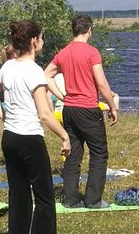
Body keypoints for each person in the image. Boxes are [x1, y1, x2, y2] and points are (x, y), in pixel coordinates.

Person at [0, 19, 70, 234]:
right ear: (34, 41)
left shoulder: (7, 67)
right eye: (41, 37)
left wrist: (6, 116)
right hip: (30, 138)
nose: (42, 41)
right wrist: (64, 137)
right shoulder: (34, 71)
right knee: (44, 198)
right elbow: (45, 114)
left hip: (9, 137)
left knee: (19, 197)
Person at [46, 15, 120, 208]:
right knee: (98, 153)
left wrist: (61, 95)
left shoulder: (63, 52)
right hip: (88, 108)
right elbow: (101, 83)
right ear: (89, 30)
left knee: (73, 153)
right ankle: (93, 200)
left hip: (69, 109)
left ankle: (70, 199)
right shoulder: (92, 52)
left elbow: (46, 75)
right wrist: (112, 106)